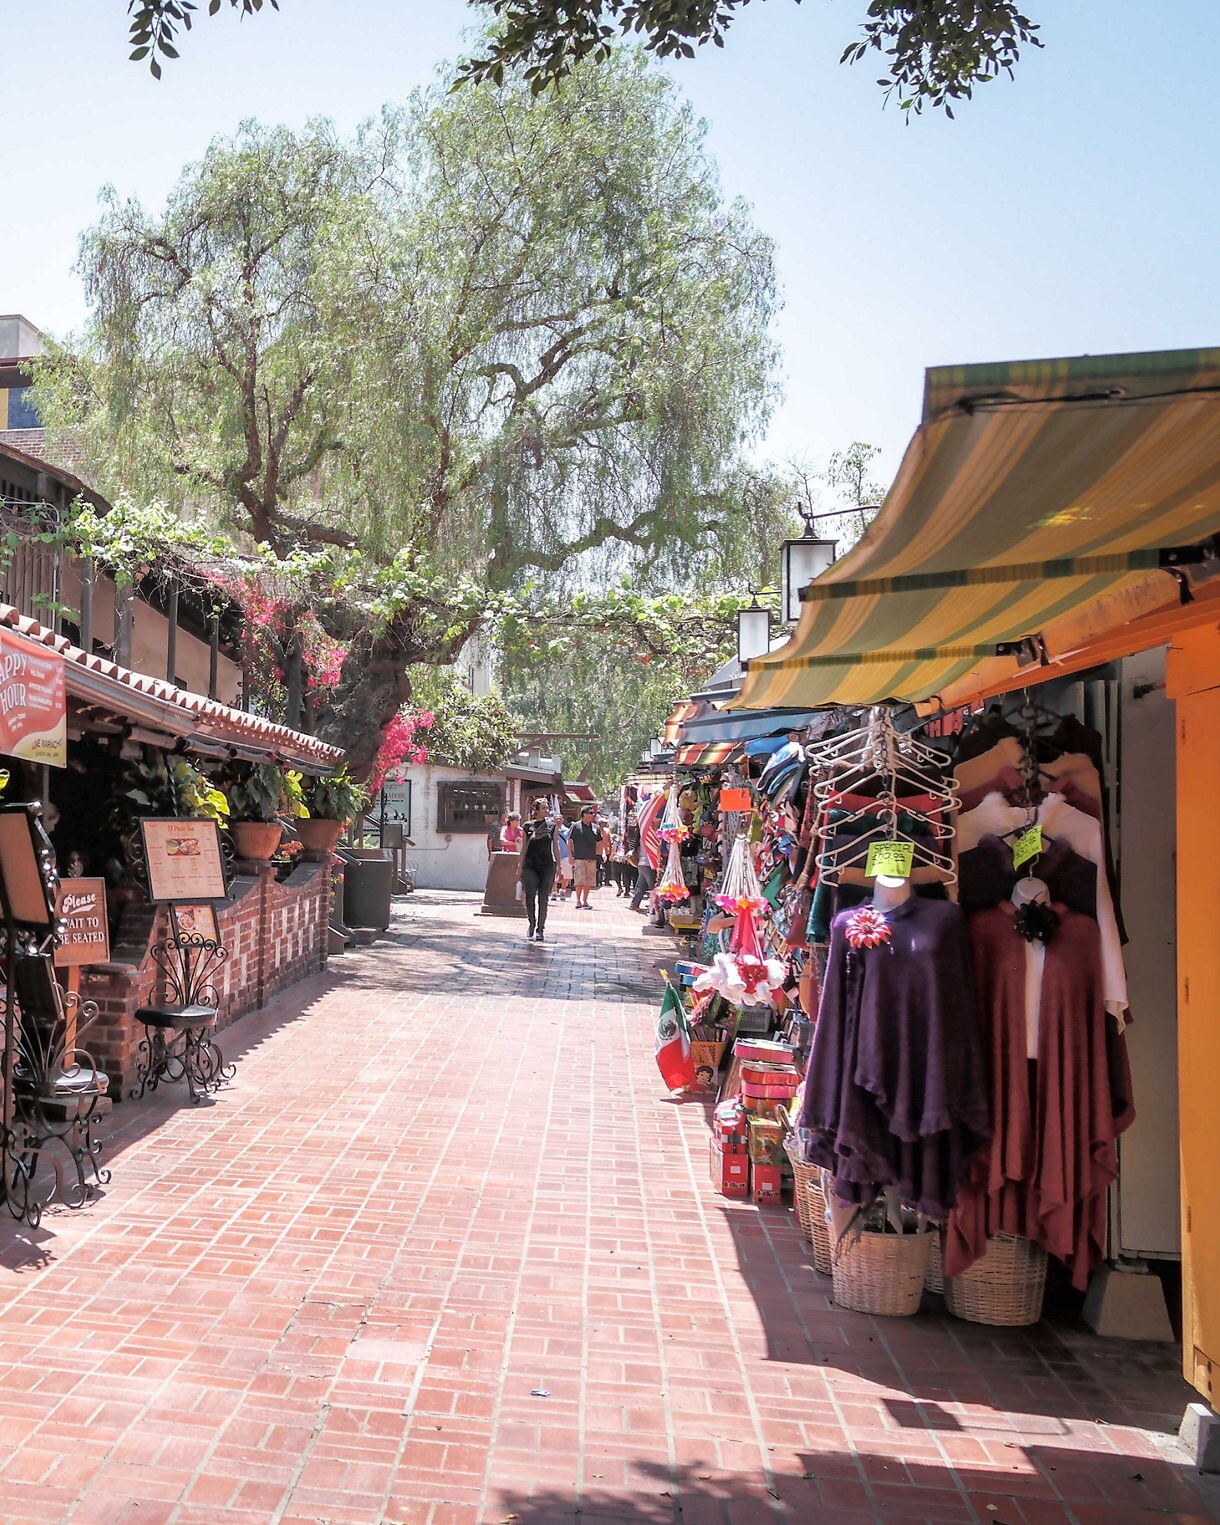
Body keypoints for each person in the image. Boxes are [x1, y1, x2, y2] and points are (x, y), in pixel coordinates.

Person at [516, 798, 560, 943]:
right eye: (543, 808)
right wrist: (519, 865)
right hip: (530, 865)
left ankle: (540, 929)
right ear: (536, 810)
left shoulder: (552, 826)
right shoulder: (527, 826)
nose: (546, 810)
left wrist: (558, 866)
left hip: (547, 865)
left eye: (547, 808)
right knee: (529, 896)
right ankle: (532, 922)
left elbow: (555, 847)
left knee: (543, 898)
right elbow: (523, 848)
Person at [568, 803, 602, 910]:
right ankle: (578, 900)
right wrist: (570, 855)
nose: (593, 815)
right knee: (579, 880)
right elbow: (569, 841)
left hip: (592, 858)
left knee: (589, 881)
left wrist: (602, 854)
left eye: (593, 813)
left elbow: (599, 842)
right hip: (579, 857)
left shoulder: (596, 828)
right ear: (584, 814)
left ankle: (585, 900)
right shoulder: (575, 826)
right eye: (591, 813)